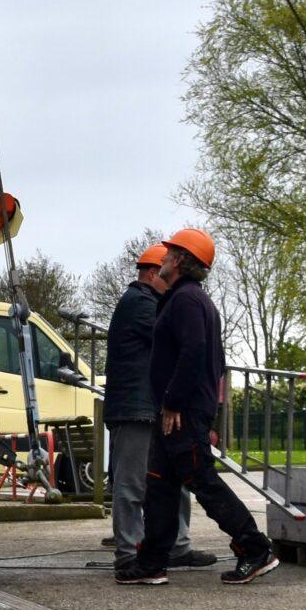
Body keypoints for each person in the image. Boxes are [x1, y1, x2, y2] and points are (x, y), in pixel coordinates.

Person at [126, 228, 277, 586]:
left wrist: (174, 401)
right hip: (176, 409)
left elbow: (193, 353)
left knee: (202, 480)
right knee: (159, 484)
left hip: (183, 411)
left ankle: (255, 548)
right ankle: (153, 563)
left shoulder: (188, 301)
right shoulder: (182, 298)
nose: (161, 258)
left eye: (168, 253)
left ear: (180, 260)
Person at [103, 243, 210, 578]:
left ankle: (176, 546)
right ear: (153, 274)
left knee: (171, 480)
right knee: (132, 484)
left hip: (150, 407)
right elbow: (176, 338)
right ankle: (129, 553)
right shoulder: (140, 304)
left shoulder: (149, 303)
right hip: (135, 409)